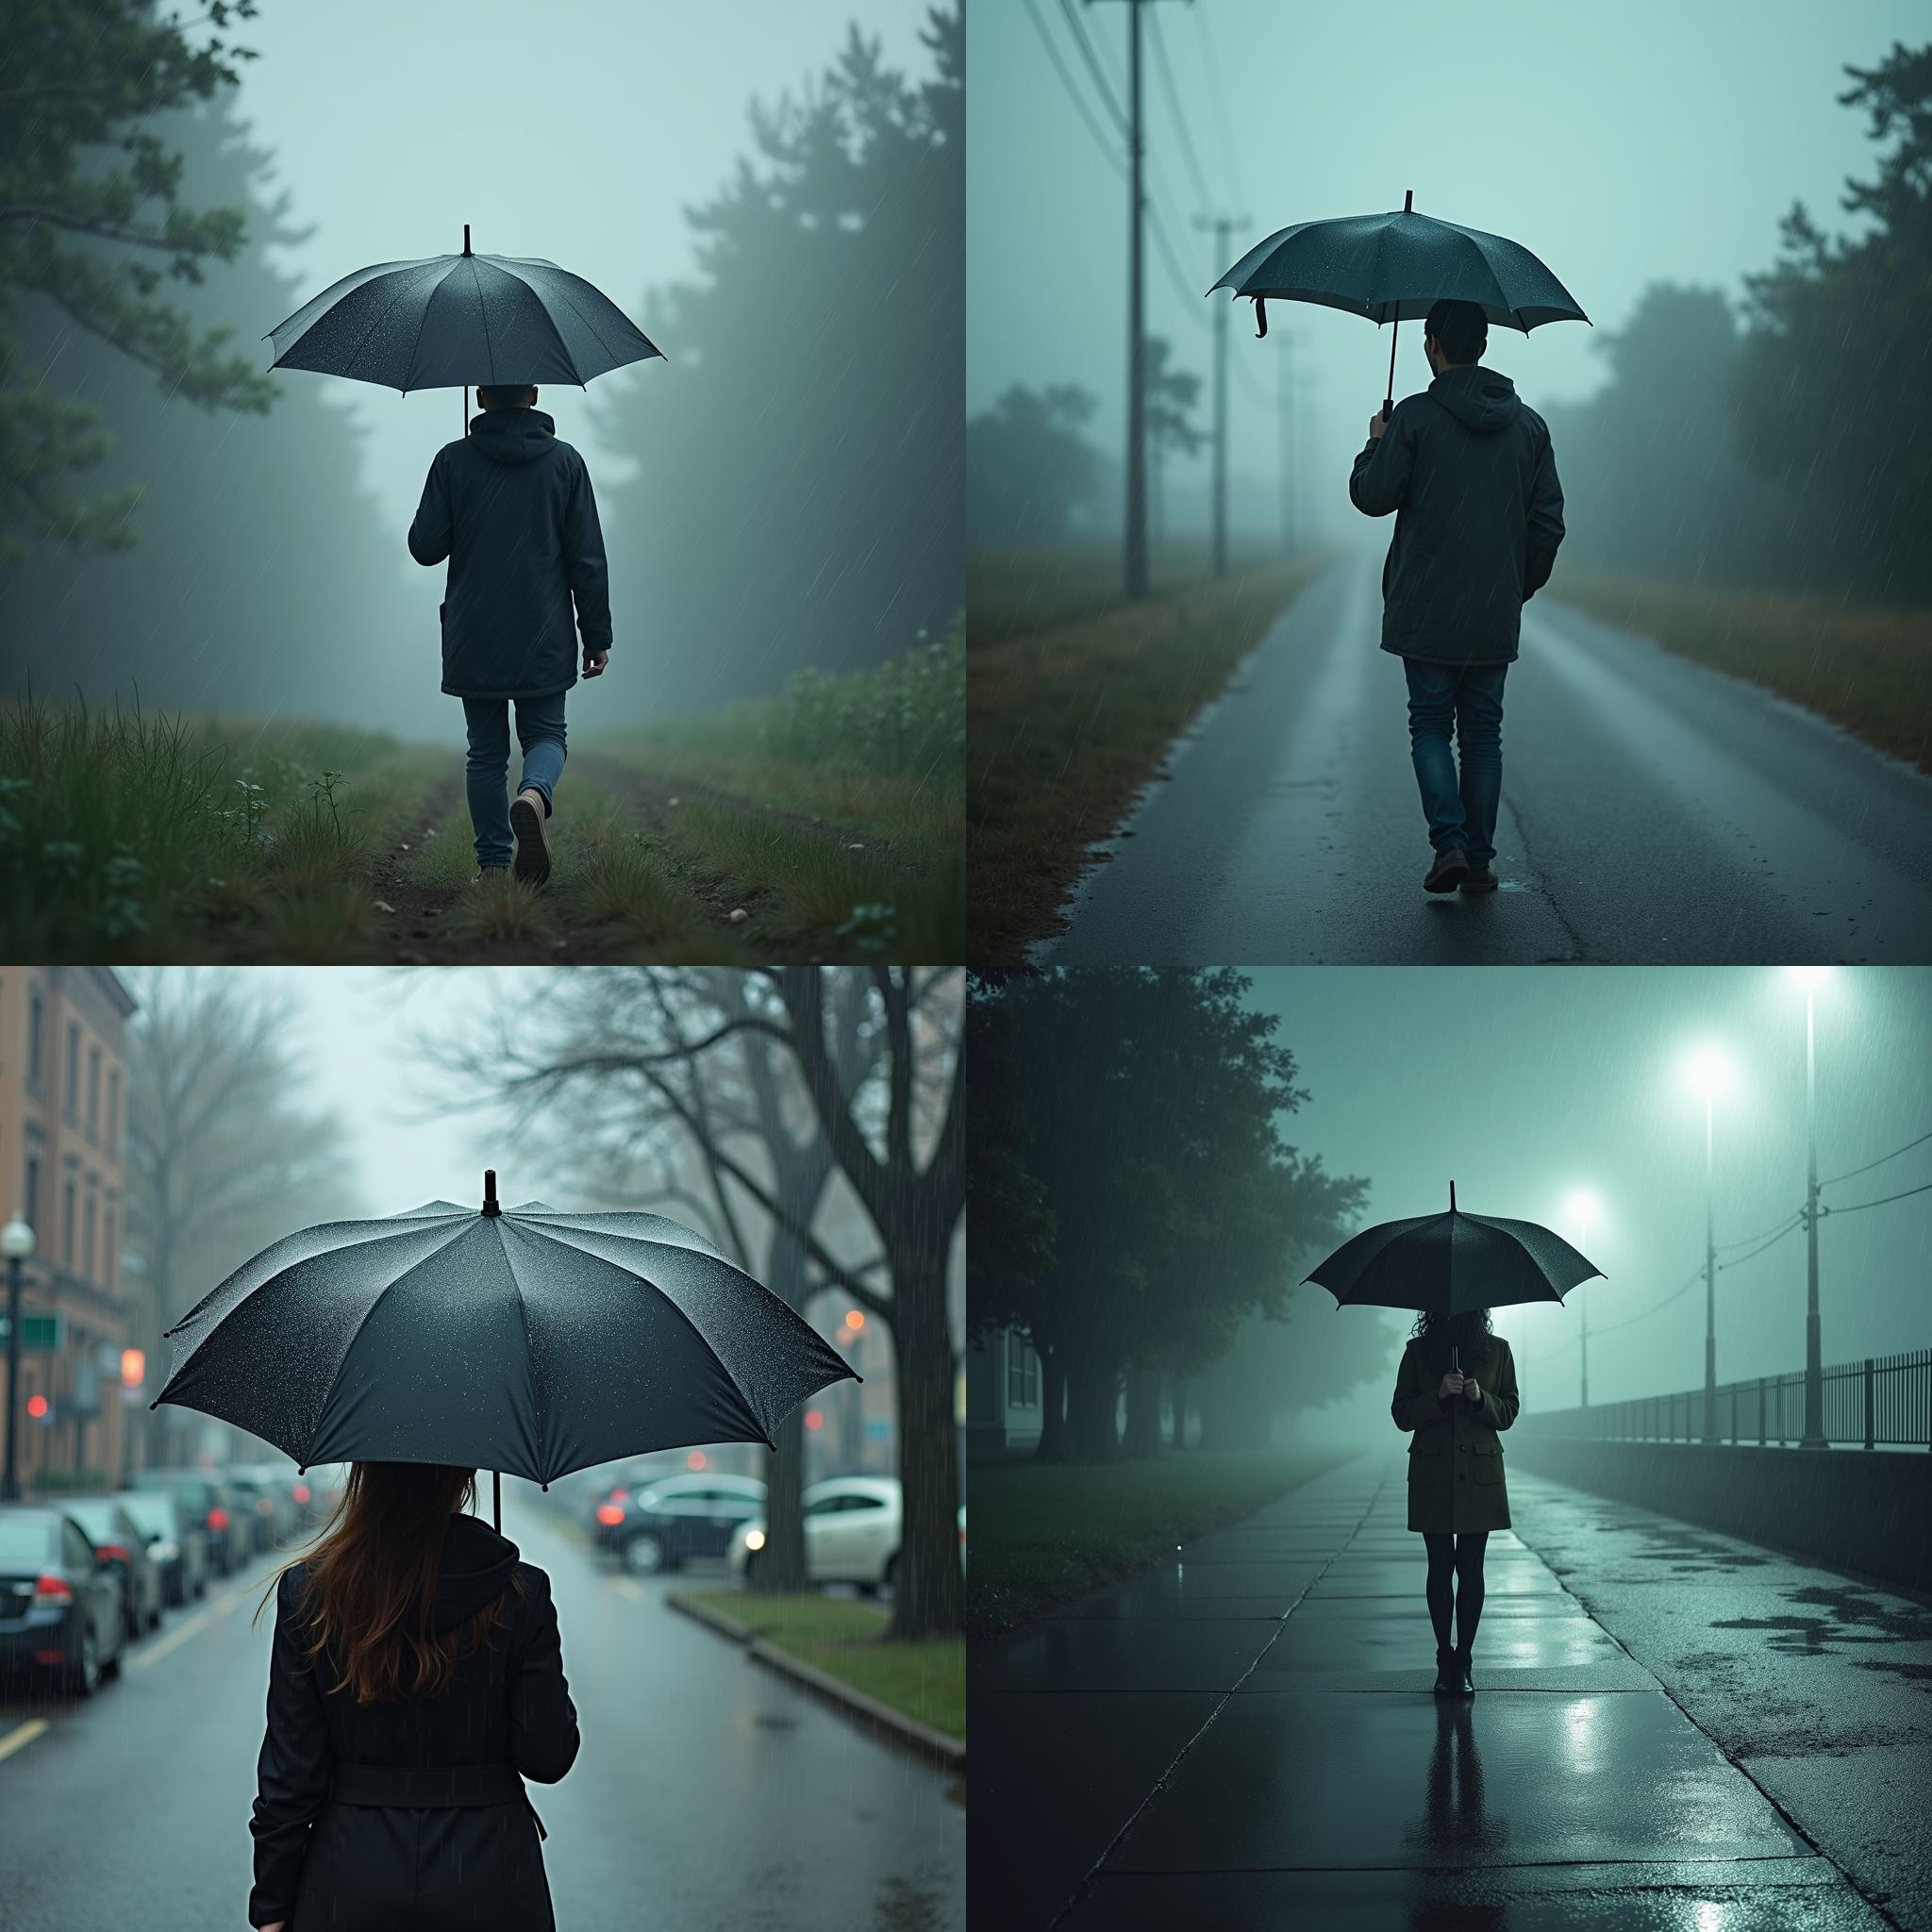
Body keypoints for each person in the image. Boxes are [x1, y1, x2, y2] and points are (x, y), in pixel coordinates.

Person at [246, 1462, 579, 1932]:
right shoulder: (519, 1594)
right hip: (490, 1879)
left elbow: (291, 1773)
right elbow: (548, 1757)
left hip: (351, 1877)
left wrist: (273, 1904)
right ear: (465, 1479)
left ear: (365, 1473)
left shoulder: (312, 1593)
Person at [1348, 297, 1565, 894]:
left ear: (1432, 346)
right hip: (1492, 614)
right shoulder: (1529, 426)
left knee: (1429, 727)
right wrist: (1511, 589)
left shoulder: (1414, 418)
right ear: (1485, 346)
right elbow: (1548, 524)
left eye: (1427, 340)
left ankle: (1449, 845)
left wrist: (1376, 442)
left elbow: (1372, 495)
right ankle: (1479, 859)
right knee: (1483, 734)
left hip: (1426, 609)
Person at [408, 383, 612, 887]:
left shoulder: (453, 461)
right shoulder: (566, 463)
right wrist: (597, 634)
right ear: (535, 394)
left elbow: (425, 547)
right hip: (544, 628)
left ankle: (495, 867)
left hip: (474, 630)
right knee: (546, 736)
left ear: (479, 399)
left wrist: (458, 494)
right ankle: (535, 796)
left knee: (485, 752)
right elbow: (586, 558)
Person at [1390, 1307, 1520, 1698]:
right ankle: (1443, 1659)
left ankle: (1464, 1660)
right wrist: (1437, 1395)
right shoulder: (1417, 1353)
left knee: (1471, 1568)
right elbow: (1400, 1413)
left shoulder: (1499, 1351)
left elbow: (1510, 1410)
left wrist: (1483, 1399)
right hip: (1435, 1476)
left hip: (1479, 1476)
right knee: (1440, 1566)